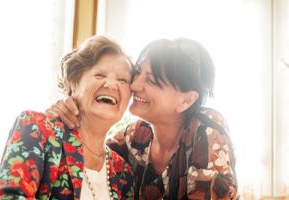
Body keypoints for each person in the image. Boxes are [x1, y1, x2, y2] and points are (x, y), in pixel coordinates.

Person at [47, 38, 238, 200]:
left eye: (152, 80)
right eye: (137, 72)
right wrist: (70, 108)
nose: (134, 85)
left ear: (185, 100)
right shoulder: (135, 136)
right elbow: (92, 154)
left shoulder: (207, 130)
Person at [0, 36, 134, 200]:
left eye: (123, 80)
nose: (111, 84)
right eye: (100, 75)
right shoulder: (37, 128)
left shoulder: (123, 171)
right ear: (74, 81)